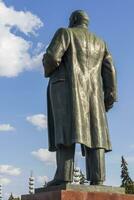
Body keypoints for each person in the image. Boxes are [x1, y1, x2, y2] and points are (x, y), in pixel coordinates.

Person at [42, 10, 117, 186]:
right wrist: (110, 96)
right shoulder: (100, 43)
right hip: (93, 94)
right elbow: (110, 71)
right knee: (95, 132)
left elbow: (53, 57)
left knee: (65, 130)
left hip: (67, 90)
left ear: (73, 20)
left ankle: (63, 176)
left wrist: (47, 68)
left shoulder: (65, 33)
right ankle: (98, 177)